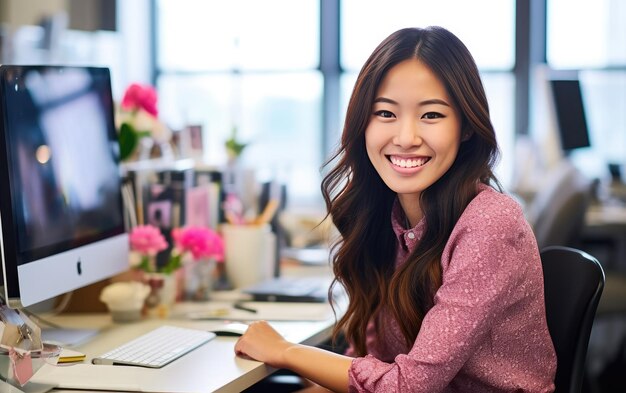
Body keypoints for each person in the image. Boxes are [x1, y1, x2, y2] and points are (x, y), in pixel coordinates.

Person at [234, 26, 557, 392]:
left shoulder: (490, 223)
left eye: (431, 115)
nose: (405, 138)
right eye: (386, 114)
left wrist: (285, 351)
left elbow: (407, 387)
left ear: (466, 127)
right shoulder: (393, 218)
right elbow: (373, 363)